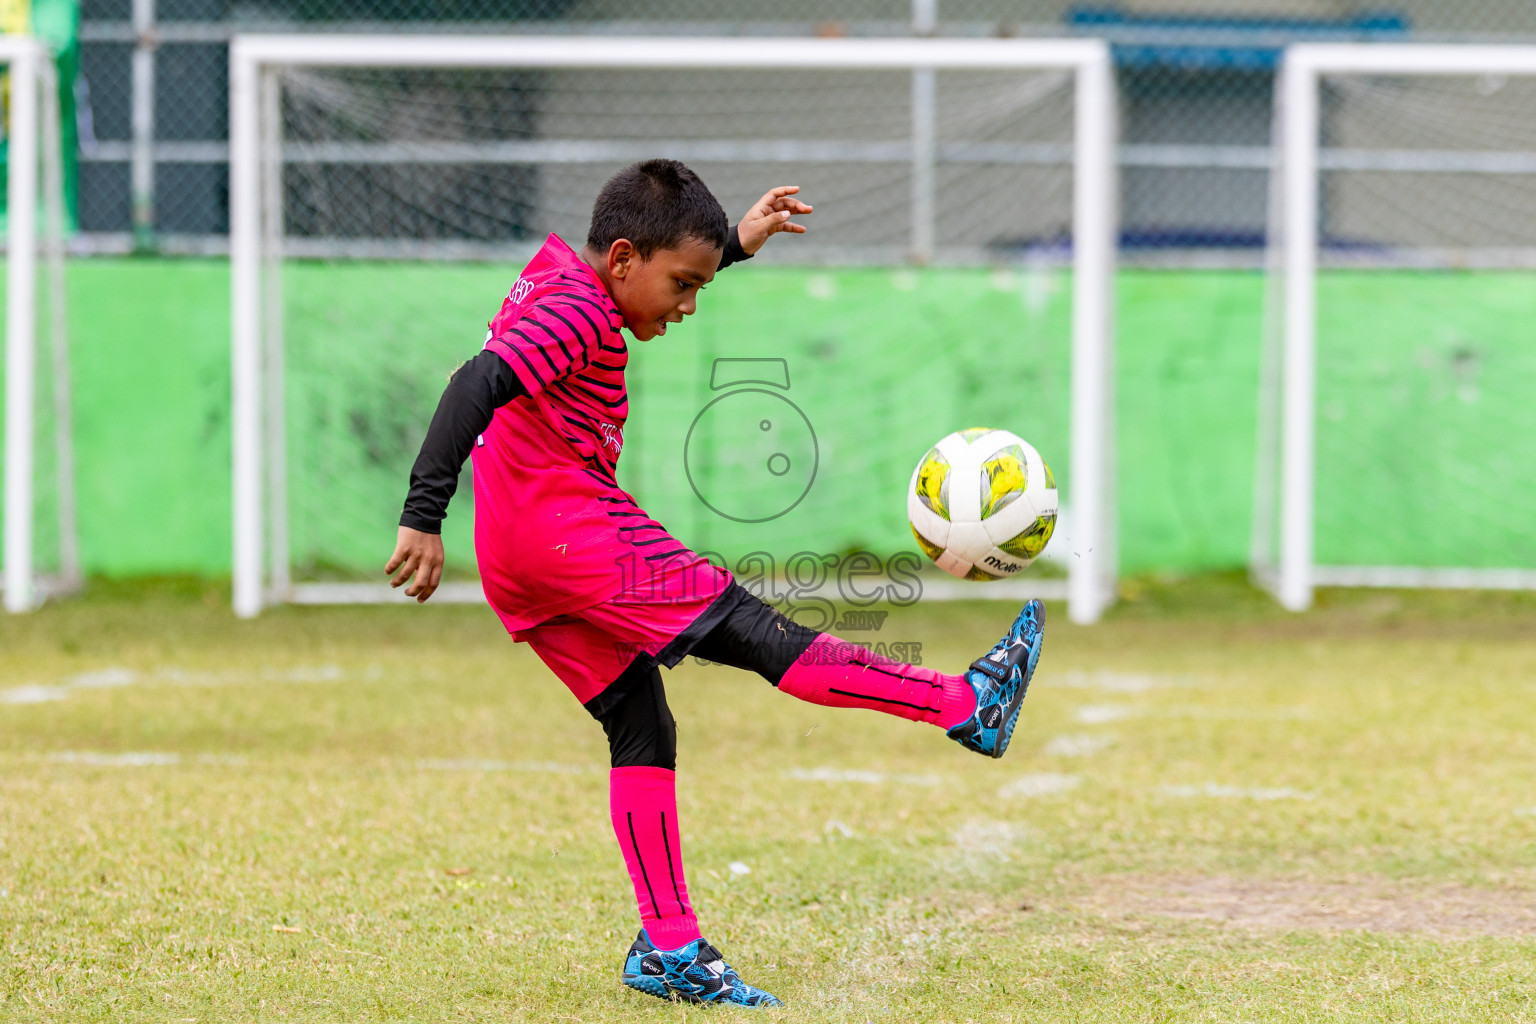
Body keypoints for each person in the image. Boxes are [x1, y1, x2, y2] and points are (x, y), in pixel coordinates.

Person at [384, 159, 1045, 1008]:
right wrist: (421, 512)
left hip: (516, 554)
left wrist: (732, 244)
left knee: (639, 722)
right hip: (572, 534)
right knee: (757, 632)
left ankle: (670, 948)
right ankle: (964, 704)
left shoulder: (562, 275)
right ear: (622, 259)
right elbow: (475, 382)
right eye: (683, 285)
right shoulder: (583, 312)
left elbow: (519, 347)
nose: (689, 305)